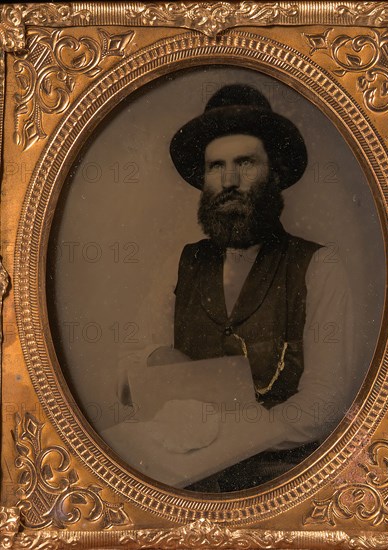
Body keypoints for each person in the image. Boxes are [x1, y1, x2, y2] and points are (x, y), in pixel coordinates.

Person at [117, 84, 355, 491]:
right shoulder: (181, 264)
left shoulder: (320, 266)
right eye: (216, 166)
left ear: (274, 174)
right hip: (183, 477)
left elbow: (323, 404)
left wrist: (229, 439)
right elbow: (129, 377)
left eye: (245, 163)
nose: (229, 180)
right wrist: (159, 360)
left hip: (279, 482)